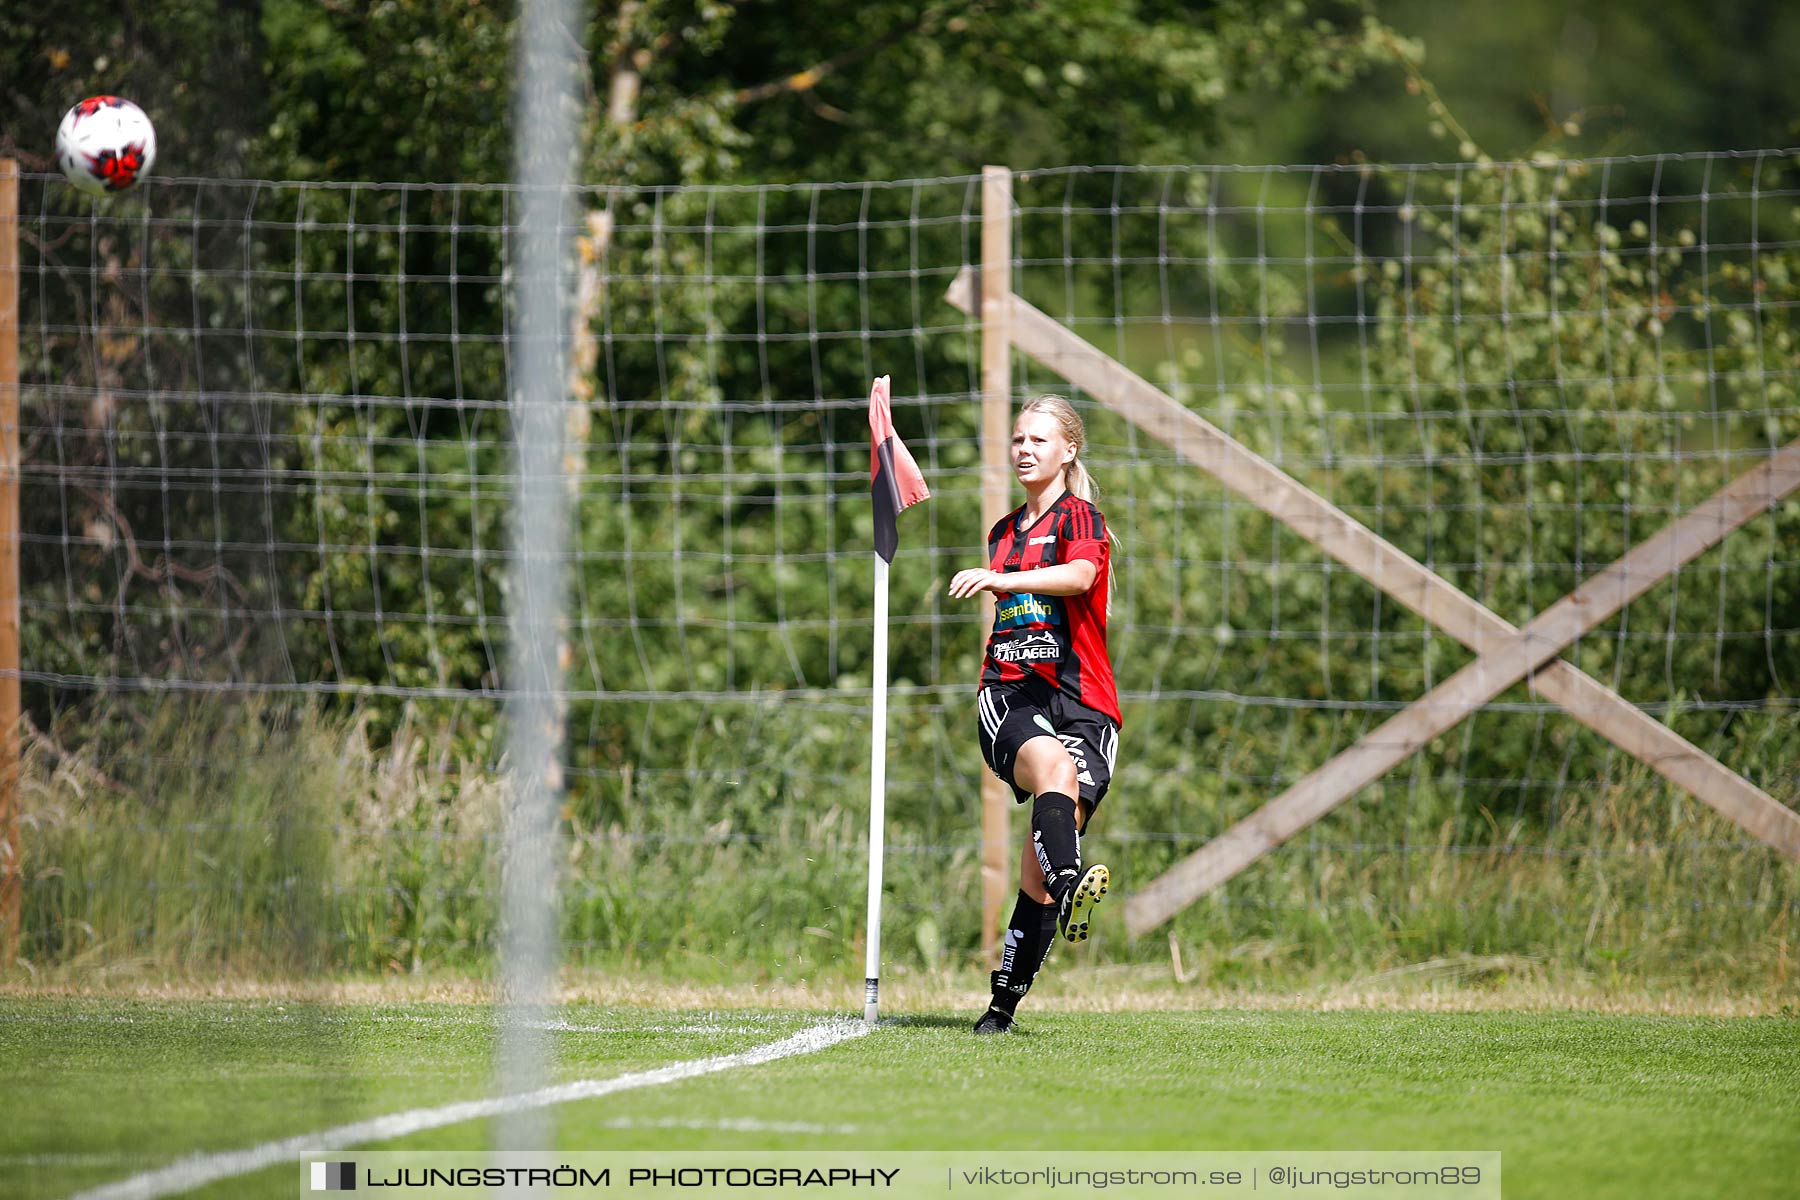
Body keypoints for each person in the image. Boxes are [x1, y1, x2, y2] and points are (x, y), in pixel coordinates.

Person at [948, 394, 1121, 1035]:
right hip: (1012, 694)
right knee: (1050, 767)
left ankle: (1002, 1008)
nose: (1024, 449)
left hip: (1085, 705)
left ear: (1068, 450)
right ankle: (1074, 878)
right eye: (1018, 439)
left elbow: (1077, 577)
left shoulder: (1082, 518)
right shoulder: (1002, 532)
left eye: (1039, 440)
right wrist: (1003, 580)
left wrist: (1004, 582)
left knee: (1038, 878)